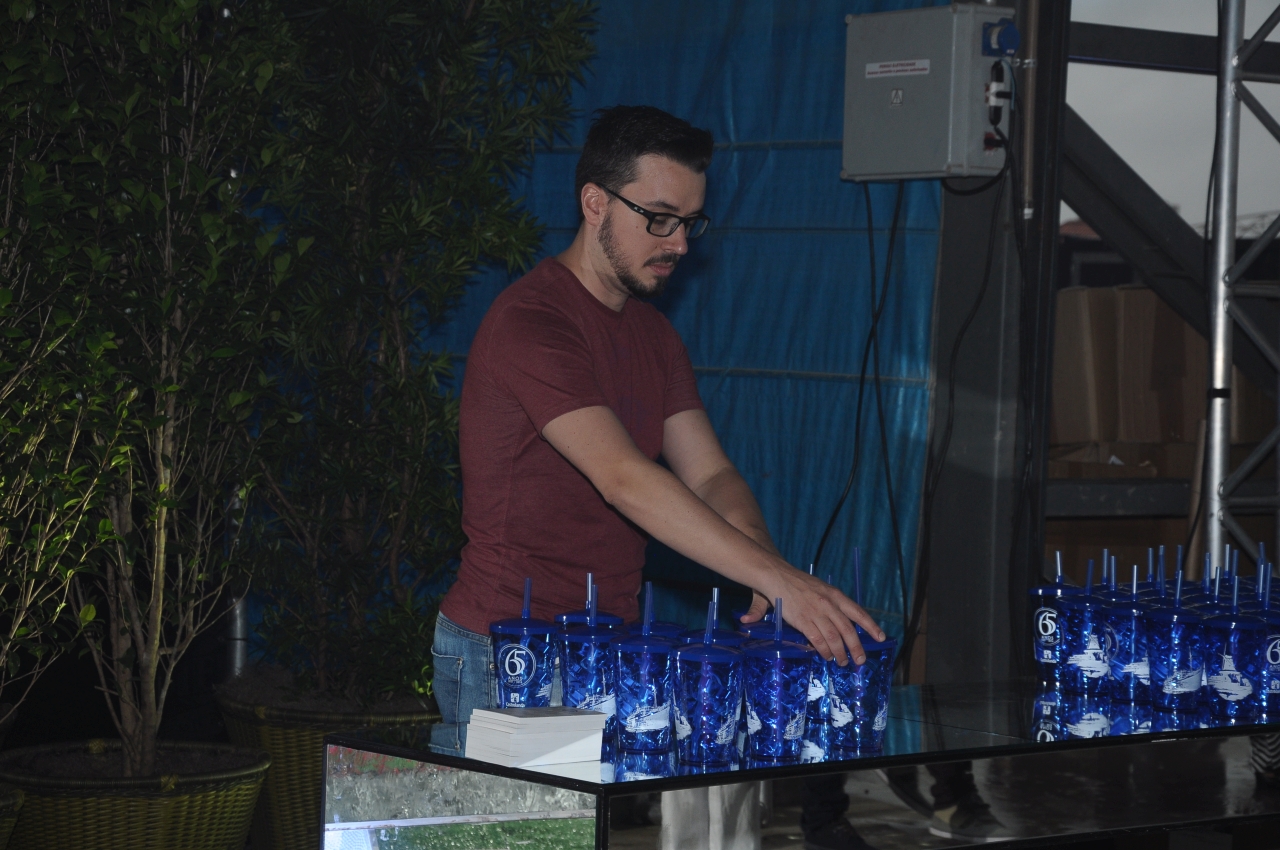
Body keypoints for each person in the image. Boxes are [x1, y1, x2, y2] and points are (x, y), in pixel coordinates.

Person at [429, 105, 885, 850]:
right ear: (595, 203)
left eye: (691, 223)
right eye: (660, 219)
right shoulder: (532, 323)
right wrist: (779, 582)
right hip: (508, 646)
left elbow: (712, 475)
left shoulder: (653, 334)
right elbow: (624, 478)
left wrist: (762, 574)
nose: (678, 243)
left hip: (609, 649)